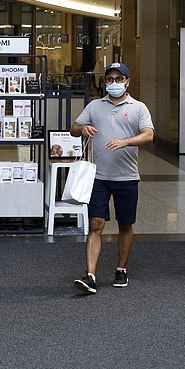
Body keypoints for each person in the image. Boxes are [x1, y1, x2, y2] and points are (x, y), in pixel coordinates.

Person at [71, 62, 155, 294]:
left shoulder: (138, 107)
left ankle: (121, 269)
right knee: (95, 224)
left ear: (127, 81)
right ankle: (90, 276)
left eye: (119, 79)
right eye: (110, 79)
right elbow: (74, 127)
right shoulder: (95, 106)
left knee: (125, 225)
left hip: (127, 177)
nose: (114, 83)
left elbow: (149, 134)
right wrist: (83, 129)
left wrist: (125, 141)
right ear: (105, 81)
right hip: (99, 176)